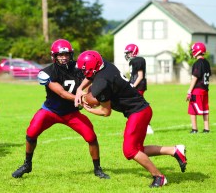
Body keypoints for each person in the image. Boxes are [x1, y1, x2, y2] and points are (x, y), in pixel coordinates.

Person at [75, 50, 187, 188]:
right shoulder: (106, 66)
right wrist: (80, 89)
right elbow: (92, 76)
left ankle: (159, 176)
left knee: (130, 151)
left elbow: (106, 112)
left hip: (137, 113)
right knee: (138, 149)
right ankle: (175, 150)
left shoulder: (101, 84)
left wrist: (88, 108)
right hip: (141, 110)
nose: (83, 72)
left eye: (85, 69)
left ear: (94, 67)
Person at [12, 39, 109, 179]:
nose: (63, 57)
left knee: (91, 137)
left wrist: (88, 94)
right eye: (60, 55)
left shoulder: (79, 67)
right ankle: (27, 164)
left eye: (66, 54)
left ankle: (97, 169)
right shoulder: (48, 72)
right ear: (54, 56)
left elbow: (89, 80)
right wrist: (80, 99)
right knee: (31, 133)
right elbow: (62, 93)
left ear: (71, 54)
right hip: (50, 111)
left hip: (71, 113)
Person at [124, 43, 154, 134]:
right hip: (135, 85)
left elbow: (140, 76)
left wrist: (133, 85)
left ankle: (147, 126)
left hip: (139, 85)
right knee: (138, 105)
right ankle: (143, 126)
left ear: (133, 52)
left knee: (138, 105)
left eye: (128, 52)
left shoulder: (138, 60)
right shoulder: (133, 61)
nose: (127, 54)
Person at [186, 42, 211, 133]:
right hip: (205, 89)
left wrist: (189, 91)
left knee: (192, 109)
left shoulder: (197, 63)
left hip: (197, 90)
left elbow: (195, 77)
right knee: (205, 109)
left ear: (196, 51)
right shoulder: (207, 63)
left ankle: (194, 129)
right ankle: (206, 129)